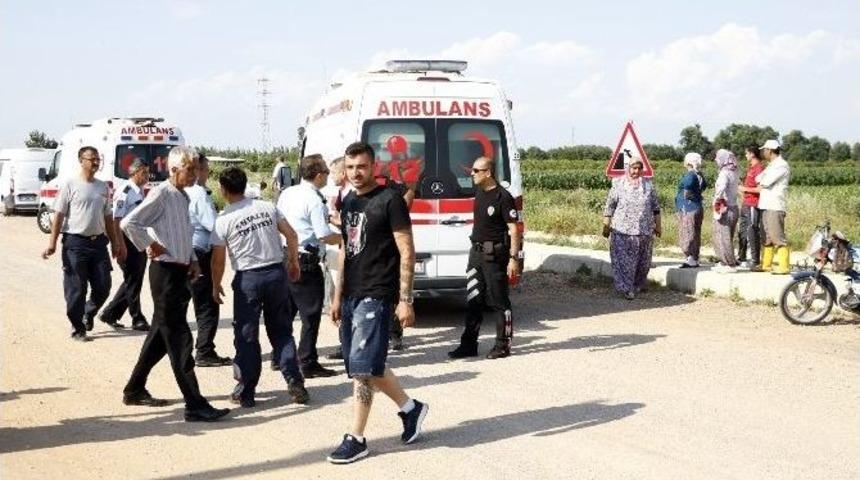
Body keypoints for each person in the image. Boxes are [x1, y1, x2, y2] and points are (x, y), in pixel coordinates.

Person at [327, 142, 428, 464]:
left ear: (374, 167)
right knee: (367, 362)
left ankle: (355, 437)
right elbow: (346, 249)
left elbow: (407, 251)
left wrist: (405, 299)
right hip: (353, 293)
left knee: (362, 371)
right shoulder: (349, 200)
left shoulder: (391, 201)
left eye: (362, 167)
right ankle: (412, 409)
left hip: (378, 293)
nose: (356, 173)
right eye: (350, 167)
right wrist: (337, 295)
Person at [120, 146, 229, 422]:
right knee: (180, 338)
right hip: (165, 274)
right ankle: (194, 404)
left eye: (195, 168)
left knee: (160, 336)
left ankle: (134, 389)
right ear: (174, 170)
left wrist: (192, 259)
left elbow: (184, 234)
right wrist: (150, 244)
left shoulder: (182, 196)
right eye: (189, 169)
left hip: (179, 271)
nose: (194, 174)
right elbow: (130, 223)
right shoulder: (162, 194)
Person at [210, 166, 309, 408]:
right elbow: (292, 236)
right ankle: (295, 381)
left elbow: (218, 260)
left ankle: (246, 390)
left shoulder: (223, 220)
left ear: (223, 190)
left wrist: (215, 285)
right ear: (244, 185)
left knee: (246, 336)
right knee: (282, 331)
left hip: (248, 281)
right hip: (276, 274)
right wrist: (293, 262)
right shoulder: (267, 207)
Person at [41, 146, 125, 341]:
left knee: (103, 286)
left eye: (98, 159)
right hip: (75, 243)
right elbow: (59, 216)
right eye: (92, 159)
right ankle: (78, 327)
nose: (96, 163)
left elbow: (108, 218)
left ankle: (88, 312)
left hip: (98, 244)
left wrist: (115, 243)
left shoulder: (103, 187)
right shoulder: (70, 185)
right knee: (76, 288)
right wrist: (52, 243)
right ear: (81, 161)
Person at [448, 156, 520, 360]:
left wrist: (514, 258)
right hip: (476, 253)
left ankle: (503, 344)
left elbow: (513, 229)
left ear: (488, 172)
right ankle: (469, 344)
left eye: (476, 171)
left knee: (499, 301)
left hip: (494, 253)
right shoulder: (480, 192)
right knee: (473, 299)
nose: (471, 173)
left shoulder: (503, 197)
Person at [275, 154, 341, 378]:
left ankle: (280, 356)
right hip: (306, 260)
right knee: (310, 315)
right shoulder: (313, 199)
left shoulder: (288, 193)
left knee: (287, 312)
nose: (328, 177)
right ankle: (308, 362)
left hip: (286, 255)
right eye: (327, 173)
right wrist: (343, 239)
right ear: (319, 174)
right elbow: (322, 234)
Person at [186, 154, 230, 367]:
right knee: (207, 304)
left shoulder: (183, 191)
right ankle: (204, 350)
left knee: (192, 301)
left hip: (186, 251)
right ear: (198, 170)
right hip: (201, 253)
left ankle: (196, 348)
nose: (208, 173)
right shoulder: (199, 194)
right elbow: (213, 225)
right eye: (206, 169)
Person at [99, 158, 151, 331]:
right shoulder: (126, 191)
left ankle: (110, 313)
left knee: (133, 280)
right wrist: (119, 244)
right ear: (134, 173)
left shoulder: (139, 191)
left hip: (137, 239)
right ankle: (137, 318)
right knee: (133, 280)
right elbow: (116, 219)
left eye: (147, 172)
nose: (147, 176)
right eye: (144, 172)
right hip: (126, 240)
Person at [601, 156, 661, 300]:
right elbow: (610, 206)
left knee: (643, 262)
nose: (636, 171)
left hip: (644, 230)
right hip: (623, 230)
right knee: (624, 262)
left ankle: (638, 285)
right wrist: (606, 225)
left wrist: (658, 226)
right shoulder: (619, 184)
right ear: (628, 168)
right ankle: (625, 288)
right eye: (634, 168)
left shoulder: (648, 186)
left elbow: (656, 208)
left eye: (639, 168)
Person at [753, 139, 791, 274]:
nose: (763, 152)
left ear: (769, 150)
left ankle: (784, 266)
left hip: (775, 205)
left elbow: (766, 182)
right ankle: (766, 264)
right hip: (766, 204)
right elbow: (758, 179)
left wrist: (762, 181)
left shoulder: (781, 165)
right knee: (767, 236)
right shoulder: (771, 165)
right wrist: (761, 180)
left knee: (777, 236)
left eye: (764, 150)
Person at [675, 152, 707, 268]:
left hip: (688, 208)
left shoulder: (689, 175)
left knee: (687, 232)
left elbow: (687, 193)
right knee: (695, 233)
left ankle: (690, 257)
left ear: (688, 162)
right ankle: (695, 257)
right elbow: (702, 188)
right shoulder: (699, 175)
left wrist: (694, 197)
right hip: (697, 207)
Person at [711, 149, 740, 273]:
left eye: (718, 157)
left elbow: (721, 189)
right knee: (728, 236)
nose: (716, 160)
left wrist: (716, 201)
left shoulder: (724, 173)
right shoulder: (735, 171)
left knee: (724, 237)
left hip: (725, 207)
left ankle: (729, 263)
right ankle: (725, 262)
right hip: (734, 207)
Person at [736, 145, 765, 270]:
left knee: (752, 231)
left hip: (753, 204)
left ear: (752, 153)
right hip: (745, 204)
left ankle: (755, 260)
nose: (745, 155)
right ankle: (741, 257)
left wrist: (744, 189)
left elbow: (760, 189)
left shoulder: (759, 169)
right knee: (742, 231)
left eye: (746, 153)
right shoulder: (751, 168)